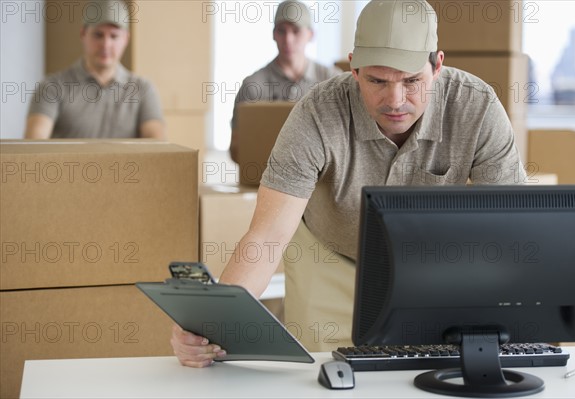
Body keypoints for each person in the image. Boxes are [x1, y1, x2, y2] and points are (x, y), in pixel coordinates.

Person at [172, 0, 527, 367]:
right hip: (329, 255)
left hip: (432, 262)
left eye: (411, 81)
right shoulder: (317, 113)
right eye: (377, 81)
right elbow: (267, 237)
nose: (395, 101)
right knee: (324, 376)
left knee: (425, 371)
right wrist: (214, 324)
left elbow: (507, 230)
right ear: (354, 68)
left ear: (437, 66)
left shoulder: (477, 107)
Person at [25, 0, 165, 139]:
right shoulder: (51, 87)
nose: (106, 44)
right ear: (83, 34)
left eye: (114, 36)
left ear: (126, 39)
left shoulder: (143, 89)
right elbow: (35, 145)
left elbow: (157, 146)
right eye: (98, 35)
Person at [229, 0, 341, 163]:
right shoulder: (253, 86)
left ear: (311, 35)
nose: (288, 39)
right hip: (264, 178)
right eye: (282, 31)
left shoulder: (333, 81)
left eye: (296, 31)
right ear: (273, 34)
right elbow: (236, 149)